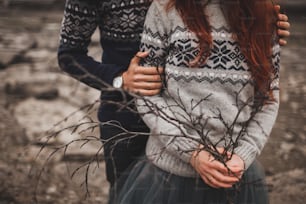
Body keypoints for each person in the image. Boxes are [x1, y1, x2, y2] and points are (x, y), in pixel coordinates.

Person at [57, 0, 290, 189]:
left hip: (192, 115)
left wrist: (260, 21)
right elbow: (69, 55)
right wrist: (119, 79)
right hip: (127, 114)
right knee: (126, 190)